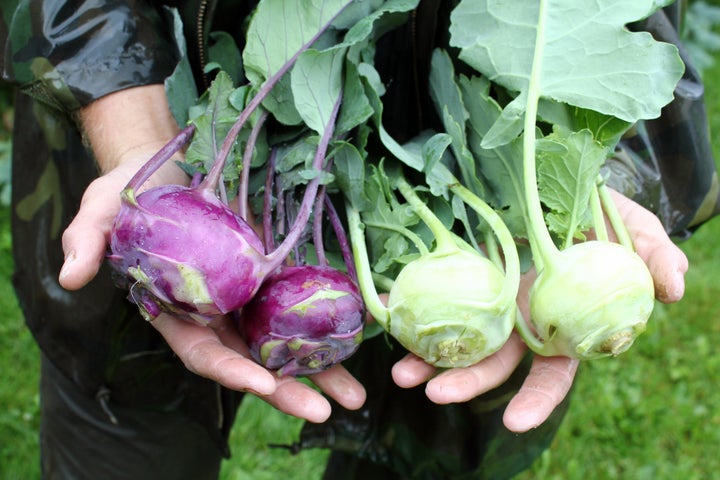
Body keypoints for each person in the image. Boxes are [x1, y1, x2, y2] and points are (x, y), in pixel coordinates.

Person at [0, 1, 712, 479]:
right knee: (122, 439)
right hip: (165, 117)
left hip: (485, 212)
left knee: (433, 457)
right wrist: (135, 139)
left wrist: (586, 185)